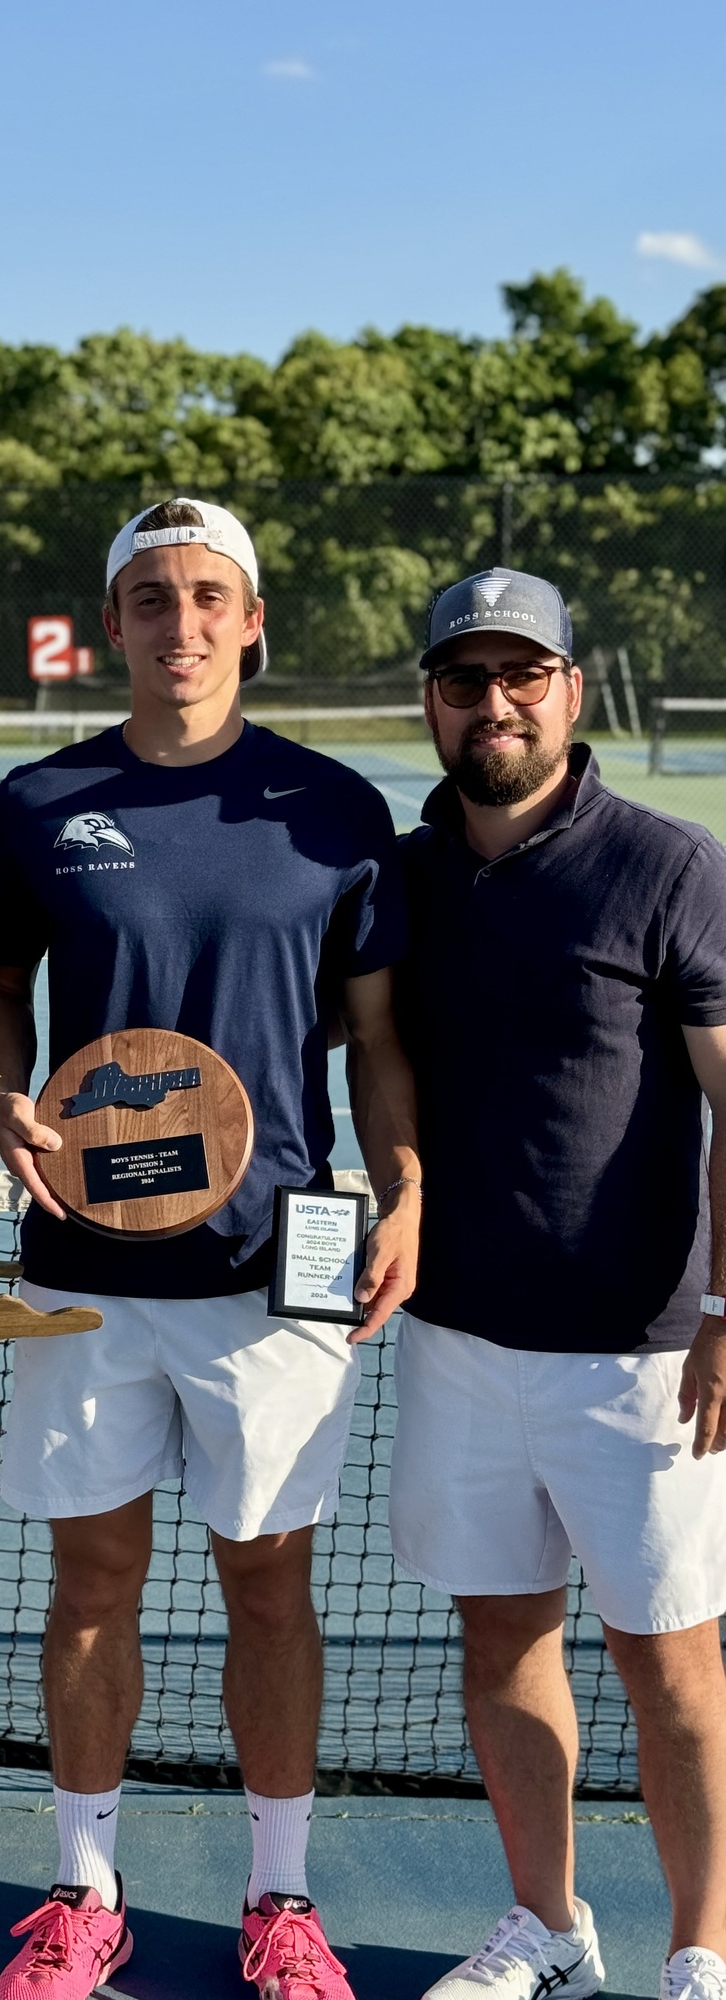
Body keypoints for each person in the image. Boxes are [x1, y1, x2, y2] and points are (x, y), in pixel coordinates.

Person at [0, 498, 422, 2000]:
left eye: (209, 596)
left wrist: (403, 1178)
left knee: (269, 1587)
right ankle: (83, 1891)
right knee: (91, 1582)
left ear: (253, 618)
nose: (182, 623)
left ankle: (280, 1901)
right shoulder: (41, 802)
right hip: (81, 1274)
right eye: (152, 598)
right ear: (116, 625)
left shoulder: (338, 813)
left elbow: (374, 1039)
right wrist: (1, 1092)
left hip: (271, 1274)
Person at [390, 568, 726, 2000]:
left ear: (570, 690)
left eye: (524, 675)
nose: (496, 703)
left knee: (672, 1667)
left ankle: (703, 1949)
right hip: (457, 1338)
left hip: (644, 1351)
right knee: (504, 1637)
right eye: (468, 680)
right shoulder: (402, 874)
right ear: (434, 704)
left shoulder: (667, 863)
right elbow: (377, 1055)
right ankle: (550, 1930)